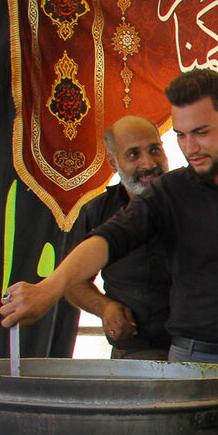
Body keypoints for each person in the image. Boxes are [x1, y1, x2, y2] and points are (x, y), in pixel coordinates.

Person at [0, 70, 218, 378]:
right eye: (181, 136)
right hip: (192, 362)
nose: (190, 148)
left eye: (201, 133)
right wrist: (49, 287)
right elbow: (110, 238)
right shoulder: (169, 192)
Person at [62, 116, 172, 360]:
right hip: (134, 352)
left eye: (155, 150)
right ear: (113, 162)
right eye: (133, 155)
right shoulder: (99, 212)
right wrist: (105, 308)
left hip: (199, 352)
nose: (148, 163)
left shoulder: (196, 202)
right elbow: (72, 283)